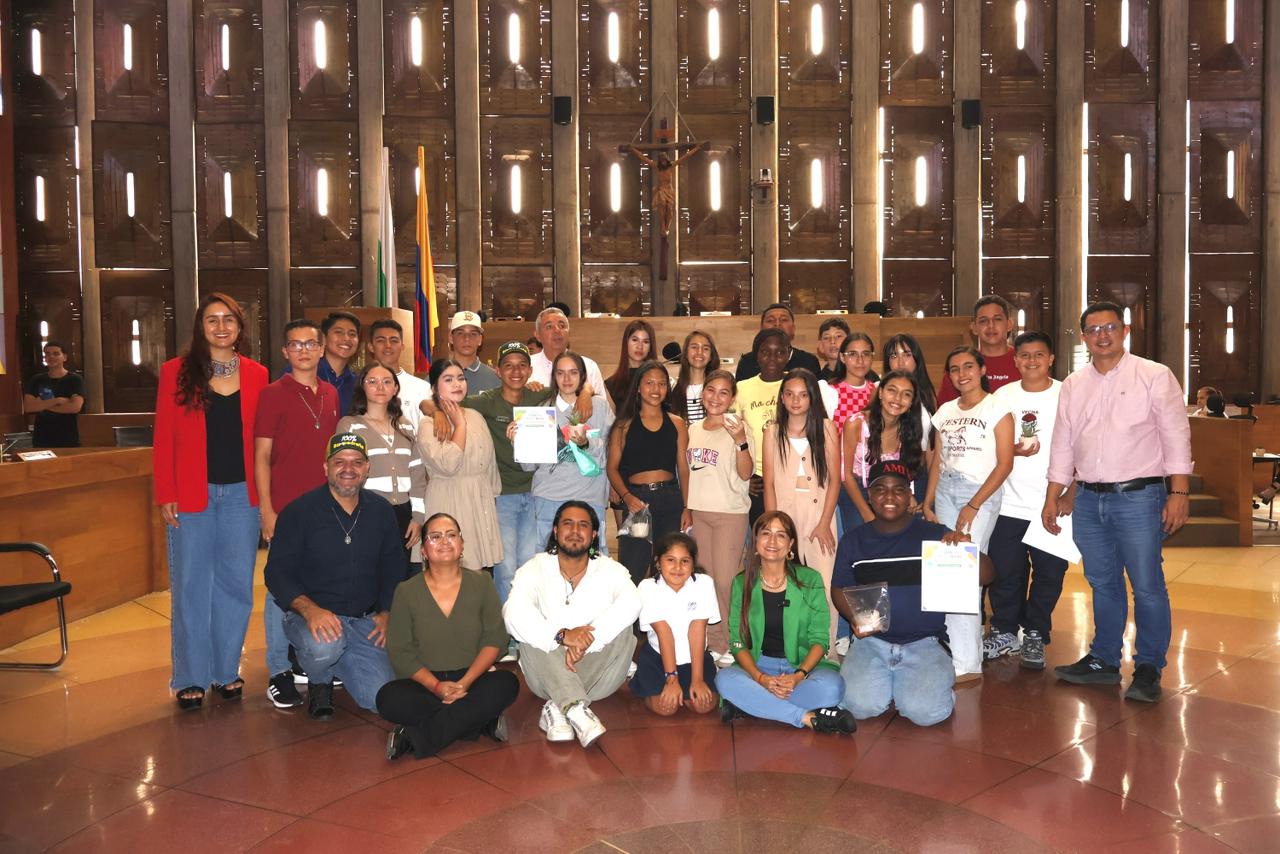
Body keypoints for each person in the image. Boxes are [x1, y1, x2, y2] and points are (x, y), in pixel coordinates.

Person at [1045, 301, 1192, 703]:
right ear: (1083, 337)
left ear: (1124, 331)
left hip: (1140, 497)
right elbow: (1063, 443)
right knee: (1102, 583)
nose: (1102, 335)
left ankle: (1148, 667)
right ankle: (1104, 661)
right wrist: (1052, 494)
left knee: (1146, 585)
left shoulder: (1154, 375)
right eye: (1093, 329)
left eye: (1109, 327)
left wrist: (1178, 493)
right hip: (1089, 500)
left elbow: (1176, 437)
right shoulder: (1075, 384)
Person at [154, 293, 267, 710]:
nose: (221, 327)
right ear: (201, 327)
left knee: (236, 587)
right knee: (190, 586)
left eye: (229, 320)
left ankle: (225, 672)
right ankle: (190, 676)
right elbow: (163, 436)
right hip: (191, 494)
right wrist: (165, 492)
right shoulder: (176, 372)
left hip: (242, 495)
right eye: (212, 320)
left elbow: (262, 440)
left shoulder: (258, 374)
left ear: (240, 328)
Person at [834, 461, 994, 726]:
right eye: (880, 490)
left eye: (898, 490)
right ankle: (894, 685)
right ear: (870, 496)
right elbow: (838, 588)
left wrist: (969, 551)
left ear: (910, 495)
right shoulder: (853, 541)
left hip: (925, 642)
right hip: (871, 643)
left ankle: (922, 685)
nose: (889, 497)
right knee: (858, 707)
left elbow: (989, 576)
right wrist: (853, 617)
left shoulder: (935, 535)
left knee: (927, 713)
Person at [264, 433, 402, 719]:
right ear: (325, 467)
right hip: (311, 618)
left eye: (356, 462)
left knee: (382, 700)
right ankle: (320, 680)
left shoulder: (381, 511)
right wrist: (310, 610)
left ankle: (338, 661)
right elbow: (276, 572)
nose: (348, 469)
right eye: (339, 462)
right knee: (325, 648)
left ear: (367, 468)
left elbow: (393, 567)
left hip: (363, 620)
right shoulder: (298, 512)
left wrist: (387, 611)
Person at [379, 513, 519, 760]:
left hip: (473, 680)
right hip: (426, 684)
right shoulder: (406, 591)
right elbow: (401, 651)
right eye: (435, 537)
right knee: (389, 699)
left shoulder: (482, 583)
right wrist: (436, 687)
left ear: (462, 544)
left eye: (451, 535)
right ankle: (478, 722)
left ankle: (415, 738)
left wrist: (463, 684)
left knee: (507, 684)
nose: (444, 541)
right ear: (423, 551)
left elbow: (495, 640)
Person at [255, 319, 342, 710]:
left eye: (311, 343)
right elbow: (261, 455)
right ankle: (278, 671)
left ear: (322, 349)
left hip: (324, 505)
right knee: (280, 587)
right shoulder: (272, 394)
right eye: (296, 344)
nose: (304, 350)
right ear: (286, 352)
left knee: (321, 579)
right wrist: (266, 509)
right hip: (286, 507)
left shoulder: (330, 393)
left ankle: (314, 657)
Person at [503, 502, 641, 747]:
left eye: (583, 525)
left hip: (600, 677)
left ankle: (561, 705)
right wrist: (562, 636)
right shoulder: (535, 568)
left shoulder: (610, 569)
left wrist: (587, 641)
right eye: (568, 524)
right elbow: (512, 613)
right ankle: (575, 709)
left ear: (594, 534)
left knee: (624, 627)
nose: (575, 530)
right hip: (543, 677)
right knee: (530, 632)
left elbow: (633, 602)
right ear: (555, 531)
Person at [714, 511, 854, 734]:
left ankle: (752, 704)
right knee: (724, 678)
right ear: (756, 541)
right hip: (758, 666)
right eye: (766, 533)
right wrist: (760, 678)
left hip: (804, 667)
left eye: (780, 535)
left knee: (833, 688)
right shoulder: (742, 583)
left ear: (790, 544)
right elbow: (737, 641)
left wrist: (798, 676)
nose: (772, 541)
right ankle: (808, 717)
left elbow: (820, 638)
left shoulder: (810, 579)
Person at [924, 346, 1014, 680]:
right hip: (946, 490)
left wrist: (974, 504)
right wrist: (928, 500)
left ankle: (968, 664)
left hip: (979, 493)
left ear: (982, 369)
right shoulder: (945, 410)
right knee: (945, 573)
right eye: (954, 369)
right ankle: (954, 651)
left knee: (965, 575)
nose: (962, 374)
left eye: (968, 367)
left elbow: (1005, 463)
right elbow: (938, 459)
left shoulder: (997, 407)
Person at [986, 331, 1071, 668]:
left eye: (1039, 355)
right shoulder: (1002, 396)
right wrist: (1009, 452)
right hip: (1008, 502)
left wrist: (1073, 490)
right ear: (1015, 360)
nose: (1032, 361)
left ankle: (1035, 631)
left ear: (1050, 358)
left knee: (1050, 574)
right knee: (1006, 573)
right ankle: (1005, 630)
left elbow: (1086, 444)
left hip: (1055, 502)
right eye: (1025, 355)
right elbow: (989, 443)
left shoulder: (1069, 393)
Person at [762, 368, 841, 652]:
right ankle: (788, 646)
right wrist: (773, 527)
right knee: (784, 581)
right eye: (790, 394)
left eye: (803, 395)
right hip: (784, 515)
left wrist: (824, 523)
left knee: (823, 582)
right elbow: (769, 482)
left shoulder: (826, 428)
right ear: (782, 398)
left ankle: (827, 649)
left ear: (812, 398)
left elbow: (834, 481)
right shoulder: (772, 431)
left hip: (819, 516)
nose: (796, 401)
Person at [686, 370, 753, 667]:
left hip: (730, 513)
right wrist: (687, 508)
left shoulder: (739, 428)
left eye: (723, 392)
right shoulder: (693, 429)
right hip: (700, 513)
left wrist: (740, 441)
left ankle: (736, 641)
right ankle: (715, 642)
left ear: (732, 398)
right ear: (702, 394)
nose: (715, 397)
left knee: (727, 581)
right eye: (710, 390)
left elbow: (746, 473)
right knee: (707, 581)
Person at [514, 350, 614, 548]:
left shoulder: (599, 407)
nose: (567, 379)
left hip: (589, 496)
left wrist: (587, 443)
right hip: (548, 496)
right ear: (554, 377)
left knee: (593, 562)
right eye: (560, 373)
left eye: (573, 372)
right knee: (547, 562)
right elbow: (528, 466)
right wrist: (518, 441)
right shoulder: (542, 411)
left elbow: (612, 454)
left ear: (582, 376)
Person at [337, 363, 426, 581]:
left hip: (404, 513)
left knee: (401, 576)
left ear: (395, 388)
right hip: (366, 510)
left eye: (387, 382)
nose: (380, 387)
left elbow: (417, 475)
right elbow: (342, 473)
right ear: (362, 387)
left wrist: (418, 517)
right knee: (369, 575)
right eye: (372, 381)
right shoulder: (349, 425)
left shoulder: (405, 426)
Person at [606, 360, 691, 582]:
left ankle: (664, 617)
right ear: (638, 387)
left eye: (662, 384)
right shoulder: (623, 426)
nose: (656, 389)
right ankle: (632, 618)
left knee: (667, 567)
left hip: (670, 500)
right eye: (649, 383)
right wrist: (627, 497)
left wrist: (686, 506)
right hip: (638, 503)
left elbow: (683, 468)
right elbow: (612, 469)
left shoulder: (677, 423)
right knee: (633, 569)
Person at [417, 359, 503, 574]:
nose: (457, 384)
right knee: (453, 571)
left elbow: (488, 462)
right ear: (435, 387)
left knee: (481, 574)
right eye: (448, 379)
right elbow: (448, 465)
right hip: (450, 500)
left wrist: (491, 497)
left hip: (479, 500)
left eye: (461, 378)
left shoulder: (475, 416)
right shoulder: (428, 424)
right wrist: (459, 425)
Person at [631, 533, 720, 716]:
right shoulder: (647, 587)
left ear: (693, 563)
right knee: (666, 709)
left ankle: (698, 681)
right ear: (658, 562)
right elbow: (664, 633)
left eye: (685, 561)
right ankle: (643, 679)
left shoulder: (704, 583)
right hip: (659, 658)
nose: (678, 567)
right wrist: (671, 679)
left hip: (695, 659)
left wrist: (697, 679)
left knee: (702, 707)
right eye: (670, 560)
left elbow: (697, 629)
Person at [840, 370, 926, 532]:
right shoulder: (856, 423)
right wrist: (867, 514)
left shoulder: (908, 429)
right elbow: (846, 476)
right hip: (856, 489)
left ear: (912, 402)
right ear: (880, 393)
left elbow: (907, 467)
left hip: (890, 488)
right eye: (892, 390)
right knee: (866, 537)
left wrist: (909, 494)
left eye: (906, 394)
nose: (897, 399)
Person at [736, 328, 790, 526]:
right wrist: (742, 478)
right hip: (756, 480)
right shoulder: (742, 388)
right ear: (756, 355)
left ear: (788, 354)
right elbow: (731, 436)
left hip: (791, 475)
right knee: (763, 540)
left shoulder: (797, 383)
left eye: (779, 352)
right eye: (765, 352)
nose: (772, 358)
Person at [937, 296, 1021, 405]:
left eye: (997, 319)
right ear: (974, 327)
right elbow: (944, 412)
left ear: (1009, 324)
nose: (991, 325)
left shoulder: (1025, 361)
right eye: (983, 321)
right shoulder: (960, 364)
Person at [285, 311, 360, 416]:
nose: (346, 338)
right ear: (323, 339)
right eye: (339, 332)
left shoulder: (357, 383)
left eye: (352, 334)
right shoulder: (300, 370)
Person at [529, 307, 607, 398]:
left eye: (562, 326)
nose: (557, 330)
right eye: (549, 327)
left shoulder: (588, 366)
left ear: (568, 333)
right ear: (538, 335)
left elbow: (602, 407)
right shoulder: (526, 366)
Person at [367, 319, 431, 427]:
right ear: (371, 347)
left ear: (402, 346)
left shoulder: (422, 387)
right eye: (381, 340)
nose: (388, 345)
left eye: (394, 340)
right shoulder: (362, 384)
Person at [734, 303, 821, 381]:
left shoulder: (809, 361)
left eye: (784, 320)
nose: (777, 324)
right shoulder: (747, 362)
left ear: (793, 328)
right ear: (761, 329)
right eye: (770, 320)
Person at [23, 341, 86, 448]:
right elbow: (28, 407)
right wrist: (58, 401)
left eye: (56, 353)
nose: (51, 357)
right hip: (41, 438)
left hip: (68, 438)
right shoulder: (37, 379)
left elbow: (75, 407)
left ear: (64, 357)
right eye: (47, 354)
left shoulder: (74, 379)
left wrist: (41, 405)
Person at [603, 319, 658, 411]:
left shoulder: (659, 380)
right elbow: (611, 423)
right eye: (635, 340)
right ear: (626, 343)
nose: (640, 346)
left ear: (650, 347)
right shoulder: (611, 385)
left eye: (645, 342)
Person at [669, 330, 719, 424]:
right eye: (694, 347)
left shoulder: (718, 390)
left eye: (705, 348)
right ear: (686, 353)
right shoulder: (672, 388)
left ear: (711, 356)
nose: (699, 352)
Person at [447, 310, 501, 394]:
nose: (467, 338)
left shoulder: (495, 379)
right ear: (451, 337)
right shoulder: (436, 377)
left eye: (473, 333)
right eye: (460, 333)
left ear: (480, 339)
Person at [815, 317, 851, 382]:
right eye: (826, 338)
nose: (832, 341)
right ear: (821, 346)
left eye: (838, 336)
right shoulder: (819, 381)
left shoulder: (863, 374)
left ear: (849, 342)